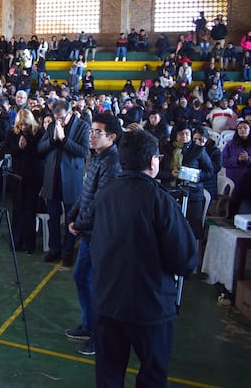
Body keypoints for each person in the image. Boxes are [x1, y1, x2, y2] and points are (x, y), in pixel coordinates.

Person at [91, 129, 197, 387]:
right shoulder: (160, 200)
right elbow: (185, 260)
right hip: (150, 306)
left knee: (108, 375)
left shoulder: (105, 194)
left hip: (108, 302)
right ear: (153, 161)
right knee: (152, 374)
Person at [64, 113, 122, 357]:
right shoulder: (97, 157)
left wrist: (80, 222)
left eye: (98, 132)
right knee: (81, 277)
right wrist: (73, 215)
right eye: (91, 131)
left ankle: (102, 337)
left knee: (100, 286)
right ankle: (90, 326)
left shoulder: (112, 162)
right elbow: (86, 192)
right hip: (88, 230)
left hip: (100, 233)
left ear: (111, 137)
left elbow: (101, 200)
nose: (91, 135)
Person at [38, 99, 90, 266]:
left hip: (71, 179)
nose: (58, 121)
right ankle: (54, 248)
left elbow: (84, 152)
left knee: (70, 218)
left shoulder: (82, 126)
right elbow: (40, 147)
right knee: (53, 217)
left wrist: (64, 140)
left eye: (61, 117)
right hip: (52, 178)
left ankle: (68, 251)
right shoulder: (52, 125)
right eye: (56, 117)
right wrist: (53, 140)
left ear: (70, 113)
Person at [157, 122, 213, 239]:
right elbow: (157, 171)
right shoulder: (166, 149)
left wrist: (193, 175)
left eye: (187, 134)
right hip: (169, 192)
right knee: (167, 227)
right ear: (175, 135)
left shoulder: (198, 150)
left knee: (192, 228)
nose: (184, 136)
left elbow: (209, 171)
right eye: (181, 134)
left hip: (192, 193)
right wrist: (170, 174)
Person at [6, 109, 44, 254]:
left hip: (34, 176)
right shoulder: (13, 132)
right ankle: (16, 242)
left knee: (30, 210)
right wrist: (19, 148)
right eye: (21, 125)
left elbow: (41, 153)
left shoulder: (39, 133)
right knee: (17, 210)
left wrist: (26, 147)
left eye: (25, 125)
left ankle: (29, 244)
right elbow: (6, 149)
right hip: (17, 176)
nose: (23, 128)